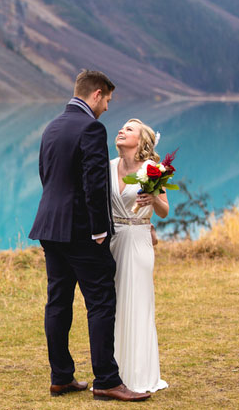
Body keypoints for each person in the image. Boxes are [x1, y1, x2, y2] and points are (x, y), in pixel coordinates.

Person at [29, 70, 151, 402]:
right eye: (108, 100)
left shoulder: (52, 126)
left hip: (49, 227)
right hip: (82, 231)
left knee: (58, 302)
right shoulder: (91, 128)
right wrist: (100, 231)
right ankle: (107, 380)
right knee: (100, 302)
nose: (108, 108)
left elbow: (47, 175)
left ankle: (61, 377)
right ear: (96, 94)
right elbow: (94, 183)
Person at [110, 118, 169, 394]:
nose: (122, 130)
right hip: (111, 242)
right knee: (112, 306)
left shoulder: (153, 170)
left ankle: (138, 375)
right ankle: (112, 373)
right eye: (122, 128)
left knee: (137, 304)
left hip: (138, 241)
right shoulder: (108, 166)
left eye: (129, 129)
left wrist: (153, 199)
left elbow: (164, 210)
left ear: (142, 141)